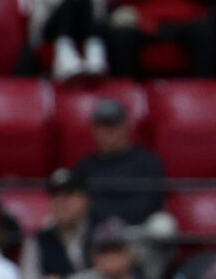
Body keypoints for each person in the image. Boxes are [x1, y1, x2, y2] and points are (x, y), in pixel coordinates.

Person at [68, 95, 170, 230]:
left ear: (126, 125)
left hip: (137, 229)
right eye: (102, 125)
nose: (108, 131)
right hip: (96, 230)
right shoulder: (85, 165)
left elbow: (149, 203)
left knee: (163, 224)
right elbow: (80, 202)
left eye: (113, 124)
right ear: (94, 129)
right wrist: (107, 222)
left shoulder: (147, 161)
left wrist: (117, 221)